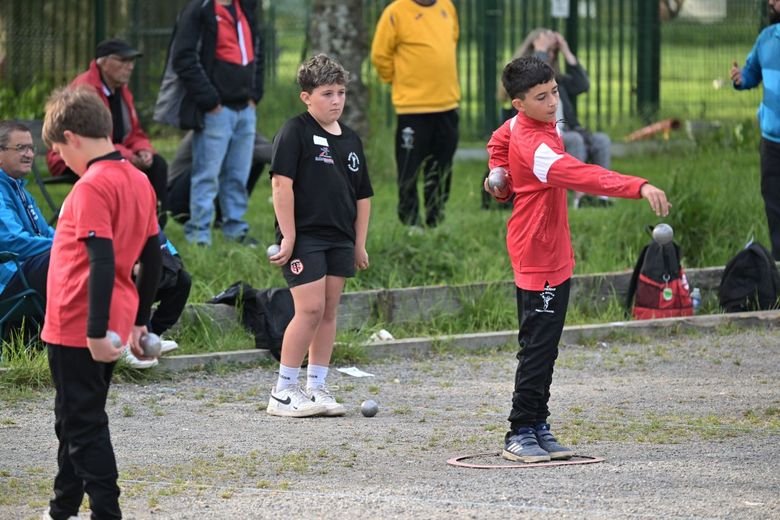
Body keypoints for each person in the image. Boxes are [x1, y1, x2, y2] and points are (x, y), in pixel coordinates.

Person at [484, 56, 670, 463]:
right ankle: (519, 431)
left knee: (547, 343)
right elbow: (584, 174)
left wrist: (499, 173)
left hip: (554, 245)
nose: (553, 103)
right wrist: (637, 186)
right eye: (541, 97)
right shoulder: (536, 146)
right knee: (537, 344)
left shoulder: (524, 124)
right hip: (537, 248)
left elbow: (498, 141)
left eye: (553, 92)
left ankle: (538, 424)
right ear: (519, 103)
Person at [40, 86, 161, 519]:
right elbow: (154, 257)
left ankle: (106, 513)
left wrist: (93, 331)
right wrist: (141, 321)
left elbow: (103, 260)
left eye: (57, 150)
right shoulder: (138, 179)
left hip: (78, 324)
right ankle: (63, 508)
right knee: (72, 418)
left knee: (84, 425)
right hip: (109, 320)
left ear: (72, 138)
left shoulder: (92, 185)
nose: (61, 160)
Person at [266, 54, 373, 418]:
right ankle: (283, 391)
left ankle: (316, 387)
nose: (336, 100)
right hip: (305, 237)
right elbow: (281, 185)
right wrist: (289, 237)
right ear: (307, 97)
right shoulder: (295, 131)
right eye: (327, 93)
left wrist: (359, 243)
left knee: (328, 310)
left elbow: (363, 196)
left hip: (340, 237)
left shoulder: (352, 139)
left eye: (341, 92)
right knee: (309, 309)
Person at [166, 0, 264, 246]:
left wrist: (255, 94)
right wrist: (210, 102)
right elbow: (183, 58)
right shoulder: (199, 9)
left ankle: (235, 228)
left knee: (238, 174)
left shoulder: (245, 8)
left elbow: (258, 51)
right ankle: (199, 235)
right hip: (216, 110)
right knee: (206, 175)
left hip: (245, 107)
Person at [45, 38, 169, 228]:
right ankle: (128, 226)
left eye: (132, 61)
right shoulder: (84, 90)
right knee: (124, 168)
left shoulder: (122, 91)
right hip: (75, 154)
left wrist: (144, 150)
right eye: (123, 60)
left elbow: (135, 131)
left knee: (158, 165)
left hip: (113, 152)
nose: (129, 67)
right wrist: (126, 155)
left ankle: (154, 227)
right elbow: (90, 139)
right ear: (102, 62)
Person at [370, 0, 460, 230]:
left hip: (447, 104)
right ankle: (411, 223)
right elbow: (380, 56)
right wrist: (401, 82)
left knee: (442, 166)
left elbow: (453, 41)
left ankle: (435, 218)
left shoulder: (447, 7)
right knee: (409, 167)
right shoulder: (395, 12)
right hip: (413, 108)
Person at [511, 28, 613, 208]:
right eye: (546, 52)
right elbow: (533, 78)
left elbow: (582, 85)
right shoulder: (522, 81)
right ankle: (579, 198)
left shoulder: (557, 81)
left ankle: (601, 197)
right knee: (574, 140)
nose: (550, 56)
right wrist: (539, 51)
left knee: (601, 140)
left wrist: (565, 50)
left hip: (566, 131)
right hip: (540, 136)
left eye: (553, 52)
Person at [730, 0, 780, 260]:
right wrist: (741, 79)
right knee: (774, 206)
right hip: (771, 142)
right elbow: (751, 74)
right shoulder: (767, 39)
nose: (771, 2)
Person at [0, 121, 54, 335]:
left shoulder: (19, 189)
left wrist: (76, 240)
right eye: (20, 148)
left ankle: (118, 333)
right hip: (9, 281)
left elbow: (45, 232)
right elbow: (11, 240)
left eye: (31, 148)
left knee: (92, 251)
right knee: (71, 256)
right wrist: (67, 245)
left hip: (24, 273)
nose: (29, 154)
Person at [167, 130, 273, 225]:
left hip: (198, 192)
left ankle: (223, 217)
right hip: (178, 199)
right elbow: (252, 152)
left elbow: (270, 150)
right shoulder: (210, 126)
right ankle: (201, 229)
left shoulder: (239, 124)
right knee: (229, 158)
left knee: (254, 161)